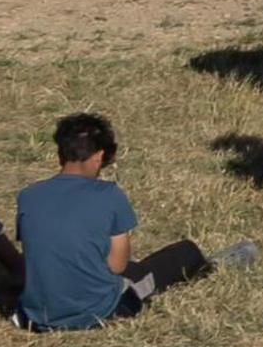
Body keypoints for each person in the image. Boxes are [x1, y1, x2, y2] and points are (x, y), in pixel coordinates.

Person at [14, 113, 247, 332]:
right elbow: (117, 265)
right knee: (184, 253)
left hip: (37, 317)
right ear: (98, 157)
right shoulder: (109, 195)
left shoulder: (28, 196)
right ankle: (210, 265)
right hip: (101, 312)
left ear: (60, 153)